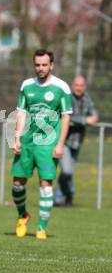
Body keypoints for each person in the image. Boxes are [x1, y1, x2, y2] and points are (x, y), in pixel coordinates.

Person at [11, 50, 72, 240]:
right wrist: (17, 138)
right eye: (37, 65)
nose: (41, 68)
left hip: (48, 145)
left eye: (44, 65)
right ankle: (23, 216)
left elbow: (66, 116)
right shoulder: (27, 85)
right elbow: (20, 112)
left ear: (51, 65)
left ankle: (41, 227)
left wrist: (60, 144)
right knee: (17, 184)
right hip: (27, 142)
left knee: (46, 184)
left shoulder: (61, 88)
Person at [54, 75, 99, 207]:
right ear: (72, 86)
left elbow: (95, 115)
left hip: (77, 142)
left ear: (84, 86)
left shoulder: (87, 98)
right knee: (67, 170)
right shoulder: (67, 97)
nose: (79, 88)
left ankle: (63, 199)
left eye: (81, 85)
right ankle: (65, 195)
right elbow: (68, 117)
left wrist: (92, 118)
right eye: (77, 85)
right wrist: (85, 120)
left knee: (68, 172)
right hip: (64, 141)